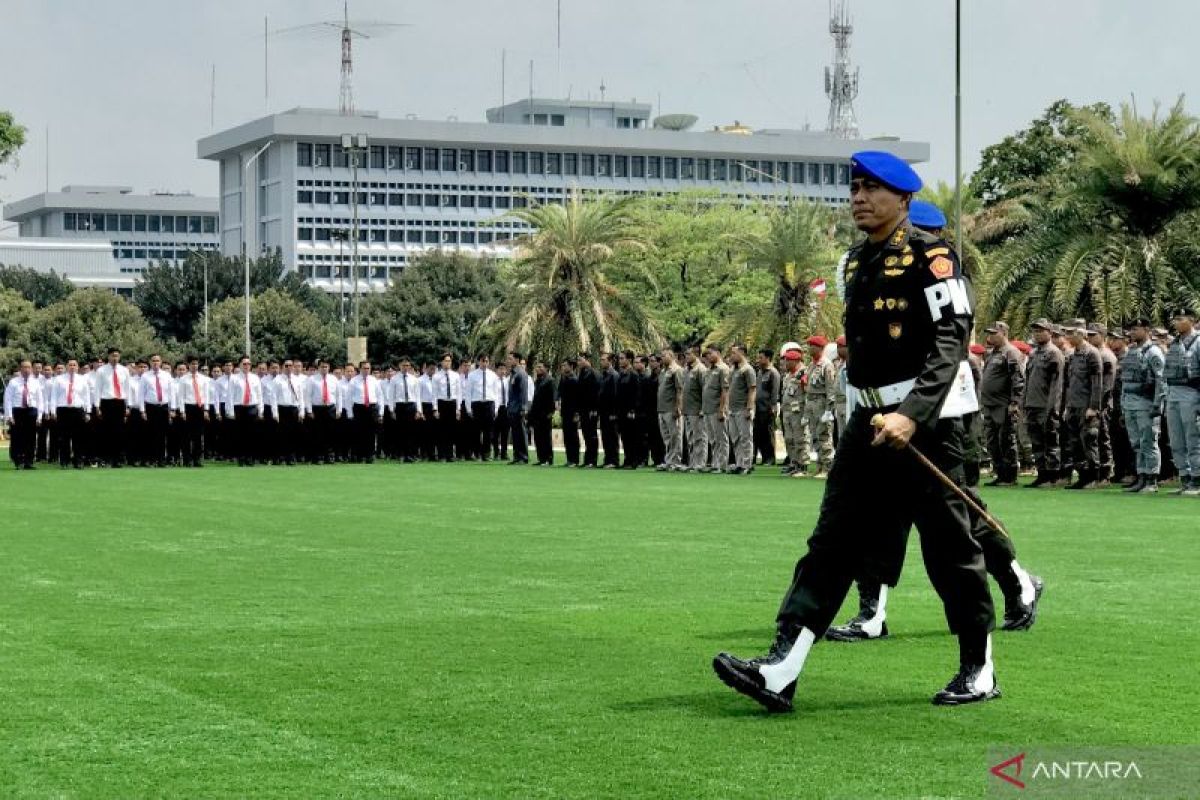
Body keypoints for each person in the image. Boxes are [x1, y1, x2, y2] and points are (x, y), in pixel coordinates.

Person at [713, 151, 1001, 711]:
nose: (859, 199)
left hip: (927, 426)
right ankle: (783, 668)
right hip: (866, 425)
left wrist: (911, 414)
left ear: (903, 199)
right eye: (854, 189)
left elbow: (951, 344)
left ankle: (979, 667)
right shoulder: (854, 263)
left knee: (949, 550)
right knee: (831, 543)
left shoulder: (934, 257)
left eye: (872, 189)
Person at [1120, 319, 1167, 494]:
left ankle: (1152, 479)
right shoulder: (1131, 352)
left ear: (1146, 330)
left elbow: (1161, 381)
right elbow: (1125, 380)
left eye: (1136, 329)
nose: (1132, 332)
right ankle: (1141, 476)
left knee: (1149, 442)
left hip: (1146, 402)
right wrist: (1123, 404)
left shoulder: (1153, 352)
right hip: (1131, 402)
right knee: (1136, 443)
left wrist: (1157, 404)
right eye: (1131, 329)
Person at [979, 322, 1024, 486]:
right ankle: (1000, 473)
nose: (990, 336)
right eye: (989, 333)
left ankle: (1010, 476)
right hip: (990, 404)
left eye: (993, 333)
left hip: (1003, 404)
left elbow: (1017, 380)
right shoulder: (992, 353)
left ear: (1004, 333)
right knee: (992, 441)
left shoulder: (1011, 352)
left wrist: (1014, 402)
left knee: (1005, 439)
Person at [1023, 320, 1066, 487]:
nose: (1037, 333)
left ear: (1050, 332)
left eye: (1041, 330)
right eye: (1035, 330)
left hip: (1046, 406)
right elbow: (1028, 380)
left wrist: (1053, 409)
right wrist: (1023, 403)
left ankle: (1052, 476)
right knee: (1037, 443)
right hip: (1032, 404)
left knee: (1050, 442)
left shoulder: (1054, 354)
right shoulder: (1034, 353)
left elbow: (1057, 385)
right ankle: (1042, 474)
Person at [1061, 320, 1104, 489]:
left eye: (1071, 333)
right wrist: (1066, 406)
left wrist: (1093, 407)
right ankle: (1082, 476)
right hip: (1073, 405)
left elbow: (1097, 383)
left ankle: (1093, 477)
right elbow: (1069, 383)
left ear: (1080, 334)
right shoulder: (1072, 355)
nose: (1068, 336)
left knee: (1088, 441)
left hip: (1086, 407)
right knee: (1075, 444)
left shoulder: (1092, 354)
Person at [1163, 308, 1200, 495]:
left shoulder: (1198, 342)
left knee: (1193, 438)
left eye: (1180, 319)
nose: (1175, 322)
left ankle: (1197, 480)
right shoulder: (1175, 343)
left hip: (1191, 392)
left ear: (1192, 320)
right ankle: (1185, 478)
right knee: (1176, 439)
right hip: (1173, 392)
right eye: (1174, 319)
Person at [1087, 323, 1120, 484]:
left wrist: (1098, 406)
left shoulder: (1106, 356)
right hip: (1093, 402)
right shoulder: (1092, 354)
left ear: (1102, 336)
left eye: (1093, 335)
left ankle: (1105, 472)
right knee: (1095, 438)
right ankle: (1098, 470)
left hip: (1103, 404)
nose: (1090, 337)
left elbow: (1107, 385)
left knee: (1102, 437)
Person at [49, 359, 92, 469]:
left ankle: (78, 461)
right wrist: (53, 411)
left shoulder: (82, 380)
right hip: (63, 410)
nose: (72, 367)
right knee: (64, 437)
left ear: (78, 367)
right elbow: (53, 396)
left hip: (78, 410)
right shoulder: (58, 379)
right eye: (70, 365)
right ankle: (64, 461)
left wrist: (88, 411)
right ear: (67, 367)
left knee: (78, 437)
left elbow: (86, 396)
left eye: (74, 365)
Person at [803, 336, 836, 477]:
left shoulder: (826, 365)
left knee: (824, 435)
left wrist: (829, 410)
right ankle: (820, 465)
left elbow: (830, 389)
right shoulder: (811, 365)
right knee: (814, 436)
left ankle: (827, 467)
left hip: (821, 403)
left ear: (819, 348)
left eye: (812, 345)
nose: (809, 348)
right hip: (811, 402)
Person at [92, 348, 131, 468]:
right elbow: (97, 389)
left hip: (119, 402)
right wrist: (97, 406)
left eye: (117, 356)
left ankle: (117, 459)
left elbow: (127, 388)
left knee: (119, 432)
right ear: (108, 356)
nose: (115, 358)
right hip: (106, 402)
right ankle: (106, 459)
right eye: (113, 356)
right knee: (106, 432)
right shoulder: (101, 371)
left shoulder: (124, 370)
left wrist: (128, 405)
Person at [225, 356, 264, 467]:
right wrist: (230, 411)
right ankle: (241, 458)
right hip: (239, 408)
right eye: (244, 364)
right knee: (240, 435)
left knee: (252, 435)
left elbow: (259, 395)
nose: (247, 366)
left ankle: (250, 457)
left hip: (252, 407)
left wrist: (260, 410)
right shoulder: (234, 378)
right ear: (240, 365)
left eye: (249, 364)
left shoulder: (255, 378)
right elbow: (230, 396)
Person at [5, 360, 44, 469]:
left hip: (31, 411)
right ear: (20, 368)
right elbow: (8, 399)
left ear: (31, 369)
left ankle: (29, 461)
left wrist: (40, 416)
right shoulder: (13, 382)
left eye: (28, 367)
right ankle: (18, 461)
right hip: (17, 411)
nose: (26, 369)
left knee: (31, 438)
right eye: (24, 367)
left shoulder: (36, 382)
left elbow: (40, 400)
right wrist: (9, 416)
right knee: (17, 437)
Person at [138, 354, 175, 467]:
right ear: (150, 362)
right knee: (150, 435)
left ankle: (161, 460)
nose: (155, 363)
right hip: (150, 407)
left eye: (157, 360)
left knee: (162, 435)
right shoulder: (145, 376)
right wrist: (142, 411)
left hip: (163, 407)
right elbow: (141, 394)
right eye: (153, 361)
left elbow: (171, 393)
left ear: (161, 362)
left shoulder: (167, 376)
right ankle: (151, 459)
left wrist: (172, 409)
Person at [726, 344, 757, 474]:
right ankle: (739, 463)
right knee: (736, 438)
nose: (731, 356)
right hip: (732, 409)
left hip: (743, 408)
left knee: (745, 437)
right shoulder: (733, 369)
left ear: (742, 353)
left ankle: (747, 464)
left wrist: (749, 408)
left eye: (734, 353)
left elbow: (752, 389)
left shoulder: (747, 370)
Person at [778, 342, 808, 476]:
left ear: (795, 361)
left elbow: (807, 392)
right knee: (789, 439)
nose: (785, 363)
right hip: (787, 411)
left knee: (799, 439)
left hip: (798, 411)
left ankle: (802, 465)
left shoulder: (803, 373)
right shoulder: (787, 376)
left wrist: (806, 413)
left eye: (787, 361)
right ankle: (793, 463)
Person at [701, 345, 731, 473]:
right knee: (713, 439)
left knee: (721, 438)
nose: (707, 356)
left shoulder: (723, 369)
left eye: (710, 353)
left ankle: (722, 464)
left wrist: (722, 409)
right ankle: (715, 463)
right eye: (706, 354)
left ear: (718, 353)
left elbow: (725, 391)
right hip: (708, 409)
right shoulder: (709, 370)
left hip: (717, 408)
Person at [177, 357, 210, 468]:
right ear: (188, 365)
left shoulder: (203, 379)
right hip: (188, 407)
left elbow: (206, 395)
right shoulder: (183, 379)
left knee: (198, 435)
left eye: (196, 364)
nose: (194, 366)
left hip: (199, 407)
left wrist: (206, 409)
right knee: (186, 436)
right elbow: (181, 396)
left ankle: (197, 459)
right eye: (192, 364)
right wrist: (182, 411)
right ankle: (187, 459)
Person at [347, 361, 384, 463]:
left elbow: (380, 396)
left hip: (372, 408)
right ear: (359, 369)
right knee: (359, 433)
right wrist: (350, 413)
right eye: (364, 368)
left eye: (368, 368)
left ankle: (370, 455)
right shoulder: (354, 381)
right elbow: (349, 398)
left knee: (371, 433)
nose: (366, 370)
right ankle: (359, 456)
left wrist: (381, 412)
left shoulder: (374, 380)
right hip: (359, 408)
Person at [656, 349, 685, 471]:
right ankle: (669, 460)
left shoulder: (677, 370)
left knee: (675, 436)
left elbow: (680, 390)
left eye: (664, 356)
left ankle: (676, 461)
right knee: (666, 437)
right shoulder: (663, 371)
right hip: (662, 409)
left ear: (671, 356)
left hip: (671, 408)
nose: (661, 358)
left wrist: (678, 407)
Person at [306, 360, 340, 464]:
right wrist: (309, 410)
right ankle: (318, 456)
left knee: (330, 433)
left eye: (326, 366)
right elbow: (308, 396)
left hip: (330, 408)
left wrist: (339, 409)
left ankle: (329, 456)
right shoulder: (312, 379)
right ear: (318, 367)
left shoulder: (334, 379)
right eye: (322, 366)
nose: (324, 368)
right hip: (317, 408)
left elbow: (339, 396)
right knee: (318, 433)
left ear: (329, 367)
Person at [682, 346, 709, 472]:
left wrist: (703, 408)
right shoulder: (686, 369)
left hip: (697, 409)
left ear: (696, 355)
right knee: (691, 438)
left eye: (688, 354)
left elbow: (705, 390)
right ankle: (693, 462)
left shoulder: (701, 370)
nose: (686, 356)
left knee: (700, 438)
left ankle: (700, 463)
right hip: (687, 409)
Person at [390, 359, 422, 463]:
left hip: (411, 406)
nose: (405, 367)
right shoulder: (394, 379)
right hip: (400, 406)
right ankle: (401, 455)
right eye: (403, 365)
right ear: (399, 366)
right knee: (400, 432)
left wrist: (419, 410)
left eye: (407, 365)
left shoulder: (414, 379)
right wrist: (392, 410)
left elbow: (418, 396)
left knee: (411, 432)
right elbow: (391, 396)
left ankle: (410, 455)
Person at [432, 353, 462, 462]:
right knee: (441, 431)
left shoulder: (455, 375)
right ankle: (442, 455)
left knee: (451, 430)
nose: (447, 363)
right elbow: (434, 394)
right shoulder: (436, 376)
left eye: (449, 361)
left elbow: (459, 393)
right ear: (441, 362)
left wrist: (458, 408)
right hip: (442, 403)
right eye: (445, 360)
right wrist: (435, 409)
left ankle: (450, 455)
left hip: (452, 403)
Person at [753, 349, 781, 467]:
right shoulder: (759, 372)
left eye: (761, 358)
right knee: (758, 433)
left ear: (768, 358)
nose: (758, 360)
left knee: (767, 433)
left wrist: (773, 406)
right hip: (757, 408)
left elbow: (774, 392)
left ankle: (769, 457)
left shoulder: (773, 373)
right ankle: (762, 456)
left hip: (767, 408)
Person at [616, 351, 643, 468]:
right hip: (621, 410)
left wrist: (632, 410)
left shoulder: (633, 374)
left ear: (629, 360)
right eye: (619, 358)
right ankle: (627, 459)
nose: (620, 361)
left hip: (630, 411)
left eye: (622, 358)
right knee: (624, 436)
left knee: (632, 436)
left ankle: (633, 461)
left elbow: (637, 394)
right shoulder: (621, 374)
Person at [576, 353, 601, 467]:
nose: (578, 363)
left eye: (581, 360)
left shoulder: (593, 374)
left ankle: (592, 460)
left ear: (587, 360)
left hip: (591, 410)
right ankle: (587, 459)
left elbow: (596, 393)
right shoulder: (582, 373)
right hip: (583, 409)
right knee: (586, 434)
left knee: (591, 435)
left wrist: (595, 409)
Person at [506, 352, 531, 464]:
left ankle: (523, 456)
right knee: (515, 434)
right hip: (512, 408)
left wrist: (523, 408)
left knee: (521, 433)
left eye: (510, 359)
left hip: (519, 408)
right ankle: (517, 456)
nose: (508, 361)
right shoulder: (513, 373)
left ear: (516, 360)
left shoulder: (521, 374)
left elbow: (523, 393)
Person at [530, 361, 556, 465]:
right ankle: (541, 458)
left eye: (540, 367)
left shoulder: (550, 381)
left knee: (545, 437)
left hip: (545, 413)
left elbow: (552, 398)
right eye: (537, 367)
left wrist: (551, 412)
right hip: (537, 413)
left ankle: (548, 459)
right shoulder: (537, 381)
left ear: (546, 368)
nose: (538, 369)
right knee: (538, 437)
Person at [641, 356, 665, 467]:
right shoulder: (649, 378)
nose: (651, 364)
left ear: (659, 362)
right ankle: (656, 459)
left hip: (660, 409)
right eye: (649, 361)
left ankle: (662, 459)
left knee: (660, 436)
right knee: (652, 436)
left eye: (653, 361)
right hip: (650, 410)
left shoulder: (662, 376)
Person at [598, 353, 621, 468]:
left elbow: (616, 395)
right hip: (603, 411)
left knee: (612, 436)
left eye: (603, 360)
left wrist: (614, 412)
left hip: (611, 412)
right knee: (605, 436)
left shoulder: (614, 375)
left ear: (610, 361)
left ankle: (614, 460)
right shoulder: (603, 375)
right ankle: (608, 459)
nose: (601, 362)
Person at [557, 360, 581, 467]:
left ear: (571, 366)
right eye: (562, 365)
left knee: (573, 436)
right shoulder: (563, 379)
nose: (563, 367)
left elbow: (577, 398)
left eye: (565, 365)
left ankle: (575, 460)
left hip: (572, 412)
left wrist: (577, 413)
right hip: (565, 411)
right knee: (567, 436)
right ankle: (569, 459)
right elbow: (559, 393)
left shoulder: (575, 380)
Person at [832, 336, 849, 448]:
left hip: (847, 403)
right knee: (841, 435)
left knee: (849, 434)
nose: (838, 349)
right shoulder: (839, 364)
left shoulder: (850, 364)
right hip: (839, 403)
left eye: (840, 347)